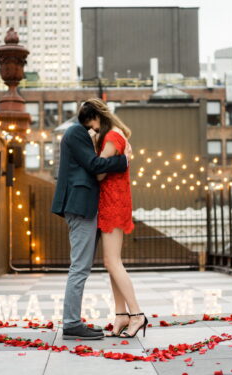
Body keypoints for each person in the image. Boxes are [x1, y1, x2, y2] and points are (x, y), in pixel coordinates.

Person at [51, 101, 131, 340]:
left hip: (85, 206)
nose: (95, 132)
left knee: (83, 266)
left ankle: (73, 321)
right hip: (80, 206)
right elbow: (94, 165)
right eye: (94, 127)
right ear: (95, 116)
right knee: (80, 267)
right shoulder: (76, 132)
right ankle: (72, 323)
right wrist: (123, 161)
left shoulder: (79, 133)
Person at [80, 98, 148, 339]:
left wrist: (92, 143)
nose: (93, 130)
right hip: (116, 201)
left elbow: (99, 174)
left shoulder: (110, 138)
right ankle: (121, 316)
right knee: (111, 262)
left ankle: (137, 314)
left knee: (112, 262)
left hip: (111, 202)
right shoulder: (118, 134)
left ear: (99, 118)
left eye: (93, 125)